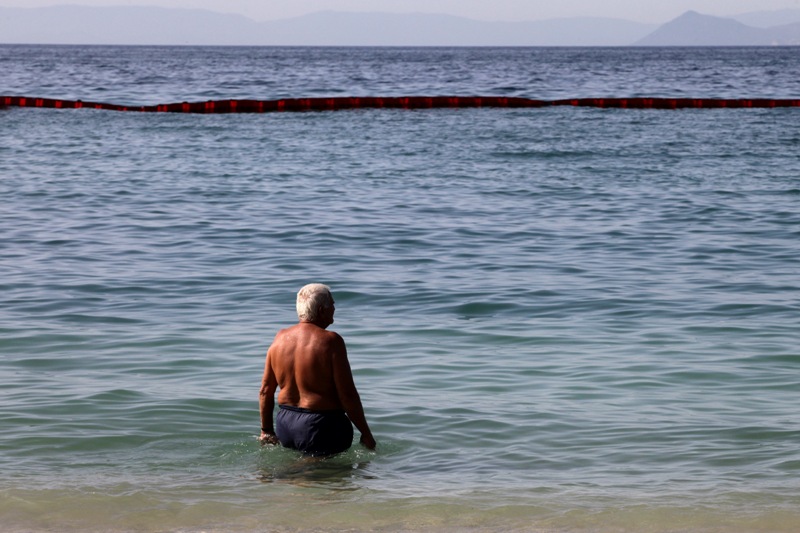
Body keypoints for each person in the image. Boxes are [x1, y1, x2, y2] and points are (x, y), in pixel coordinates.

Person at [259, 283, 376, 456]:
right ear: (322, 310)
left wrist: (266, 430)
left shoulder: (280, 338)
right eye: (333, 304)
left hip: (286, 423)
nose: (335, 309)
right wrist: (366, 434)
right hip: (320, 425)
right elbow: (347, 395)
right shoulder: (331, 341)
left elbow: (265, 391)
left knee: (300, 478)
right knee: (326, 476)